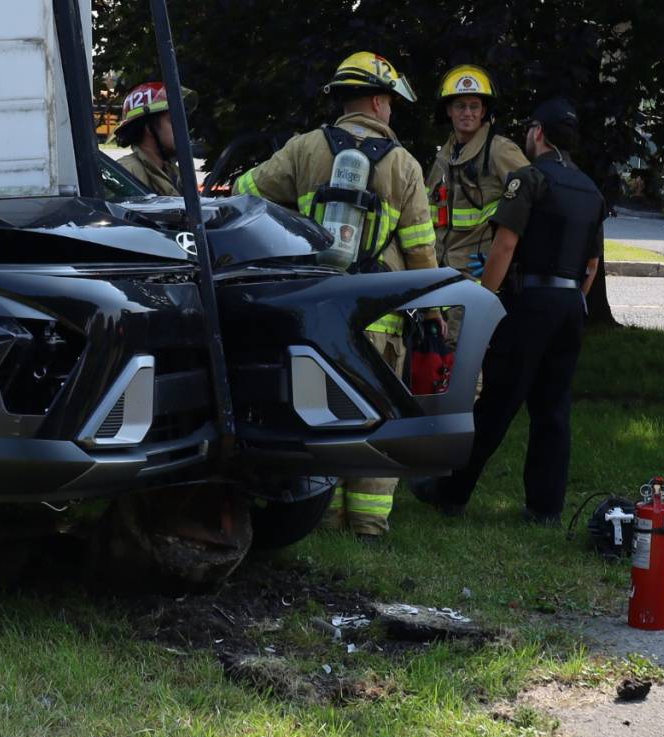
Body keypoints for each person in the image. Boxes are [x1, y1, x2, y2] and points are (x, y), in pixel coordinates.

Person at [235, 51, 437, 539]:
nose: (390, 110)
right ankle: (367, 523)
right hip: (378, 314)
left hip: (316, 309)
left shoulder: (303, 149)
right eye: (389, 101)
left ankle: (321, 516)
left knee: (322, 408)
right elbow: (421, 253)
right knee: (378, 413)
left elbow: (244, 193)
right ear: (375, 100)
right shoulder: (404, 166)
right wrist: (433, 313)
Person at [410, 96, 604, 524]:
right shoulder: (590, 190)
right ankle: (545, 508)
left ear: (537, 134)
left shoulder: (531, 181)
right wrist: (575, 301)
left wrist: (486, 296)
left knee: (497, 401)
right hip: (572, 305)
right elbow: (591, 265)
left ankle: (451, 491)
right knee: (553, 409)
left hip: (530, 304)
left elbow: (506, 244)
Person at [427, 65, 532, 278]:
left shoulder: (500, 150)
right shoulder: (442, 159)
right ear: (449, 110)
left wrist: (503, 260)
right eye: (460, 106)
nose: (468, 113)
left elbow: (533, 203)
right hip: (439, 272)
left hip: (476, 278)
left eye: (474, 106)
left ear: (483, 111)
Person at [111, 80, 187, 197]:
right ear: (149, 128)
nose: (181, 128)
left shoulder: (173, 172)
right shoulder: (126, 174)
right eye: (172, 121)